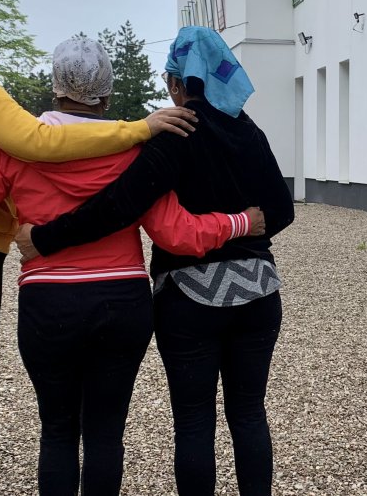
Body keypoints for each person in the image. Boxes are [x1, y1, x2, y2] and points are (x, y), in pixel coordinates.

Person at [0, 34, 265, 495]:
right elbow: (176, 233)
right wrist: (239, 222)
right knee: (105, 435)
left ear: (55, 87)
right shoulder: (136, 148)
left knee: (57, 432)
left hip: (47, 303)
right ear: (108, 96)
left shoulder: (12, 148)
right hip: (122, 303)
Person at [15, 26, 295, 496]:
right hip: (258, 291)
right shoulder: (250, 131)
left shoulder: (175, 131)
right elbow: (281, 211)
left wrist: (45, 237)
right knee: (249, 414)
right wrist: (243, 226)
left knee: (193, 421)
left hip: (190, 297)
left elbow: (122, 204)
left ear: (179, 82)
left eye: (171, 80)